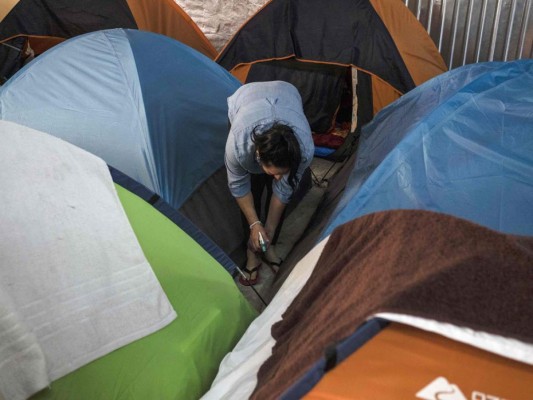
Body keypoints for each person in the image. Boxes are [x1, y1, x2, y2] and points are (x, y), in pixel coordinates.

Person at [225, 81, 314, 285]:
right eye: (272, 172)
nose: (277, 178)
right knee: (253, 191)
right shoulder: (238, 144)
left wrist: (269, 231)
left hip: (288, 94)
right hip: (246, 99)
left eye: (282, 172)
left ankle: (268, 247)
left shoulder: (305, 150)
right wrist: (255, 225)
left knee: (281, 190)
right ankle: (252, 253)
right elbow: (239, 187)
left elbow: (283, 192)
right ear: (258, 156)